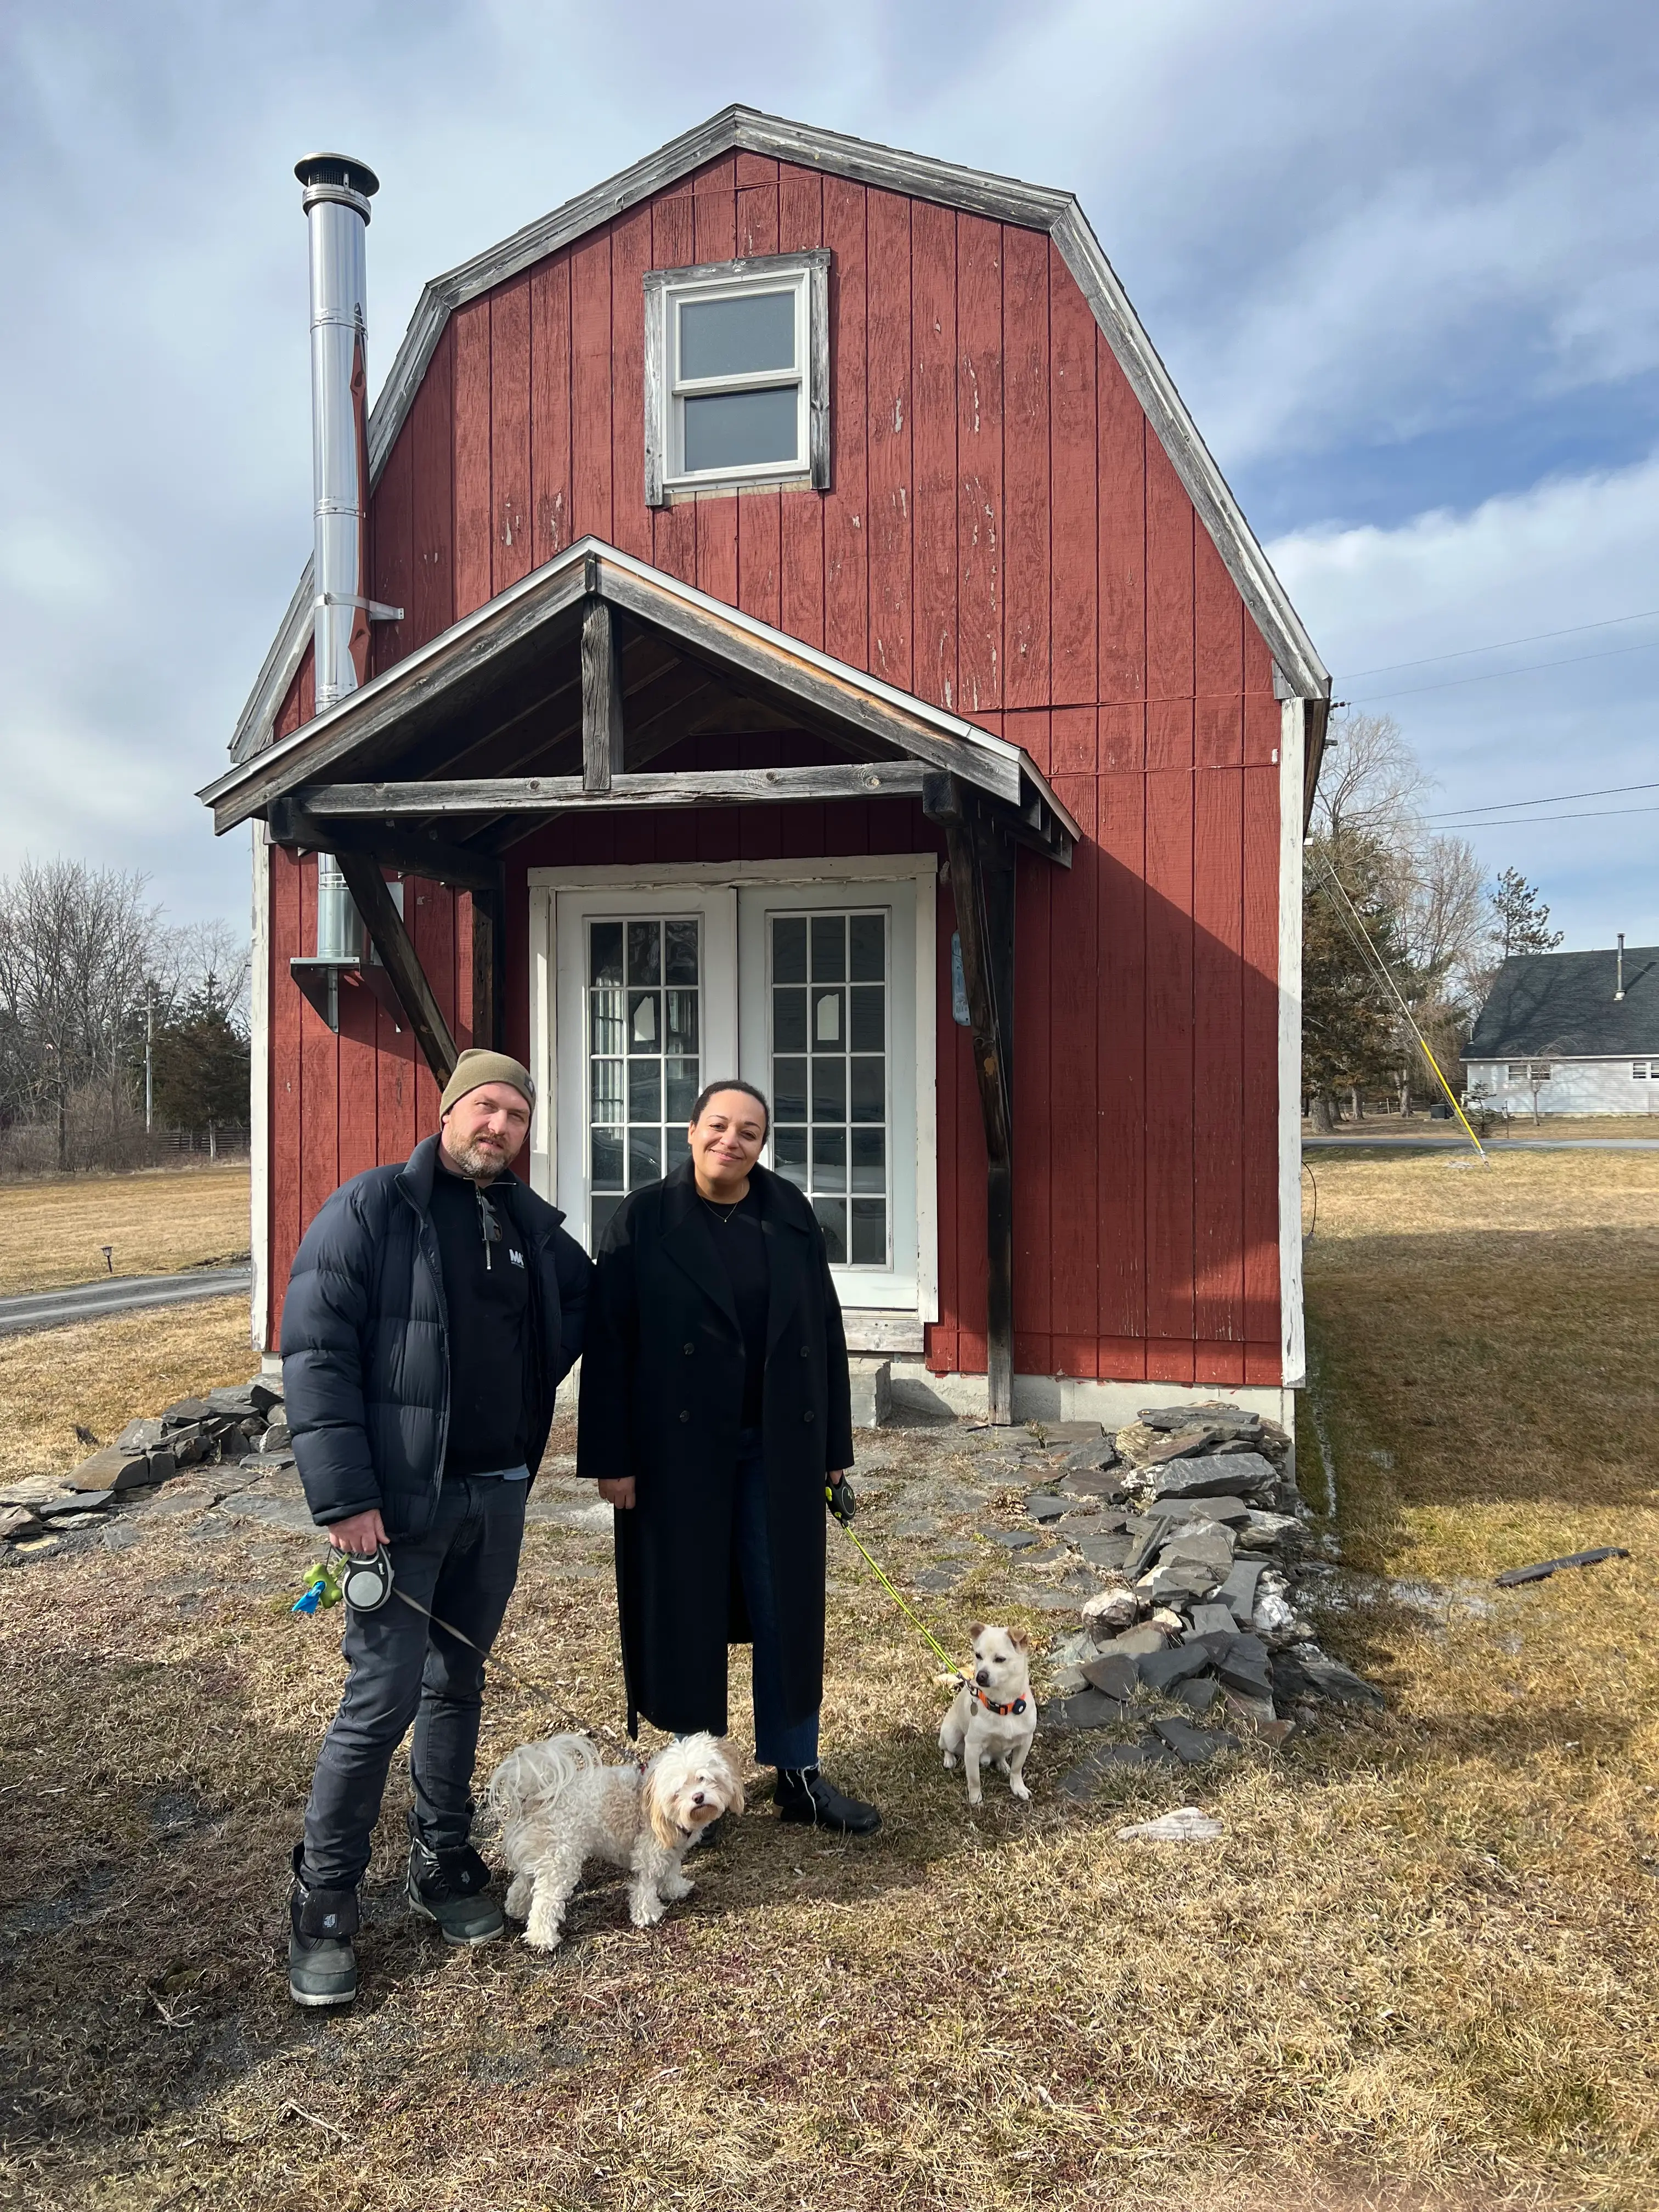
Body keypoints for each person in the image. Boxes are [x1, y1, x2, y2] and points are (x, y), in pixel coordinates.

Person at [280, 1048, 591, 2007]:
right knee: (379, 1700)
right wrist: (344, 1499)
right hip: (398, 1509)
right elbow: (316, 1350)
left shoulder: (532, 1232)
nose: (497, 1126)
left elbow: (603, 1313)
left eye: (515, 1115)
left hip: (495, 1496)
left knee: (458, 1681)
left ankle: (441, 1859)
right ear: (448, 1111)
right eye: (483, 1108)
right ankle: (325, 1902)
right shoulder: (372, 1210)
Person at [578, 1079, 879, 1836]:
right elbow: (609, 1348)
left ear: (761, 1143)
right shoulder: (644, 1217)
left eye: (749, 1131)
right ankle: (690, 1784)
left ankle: (797, 1773)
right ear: (690, 1131)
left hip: (778, 1448)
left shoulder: (790, 1215)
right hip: (675, 1454)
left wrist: (834, 1449)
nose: (732, 1141)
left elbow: (825, 1334)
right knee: (689, 1610)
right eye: (719, 1125)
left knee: (788, 1610)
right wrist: (612, 1458)